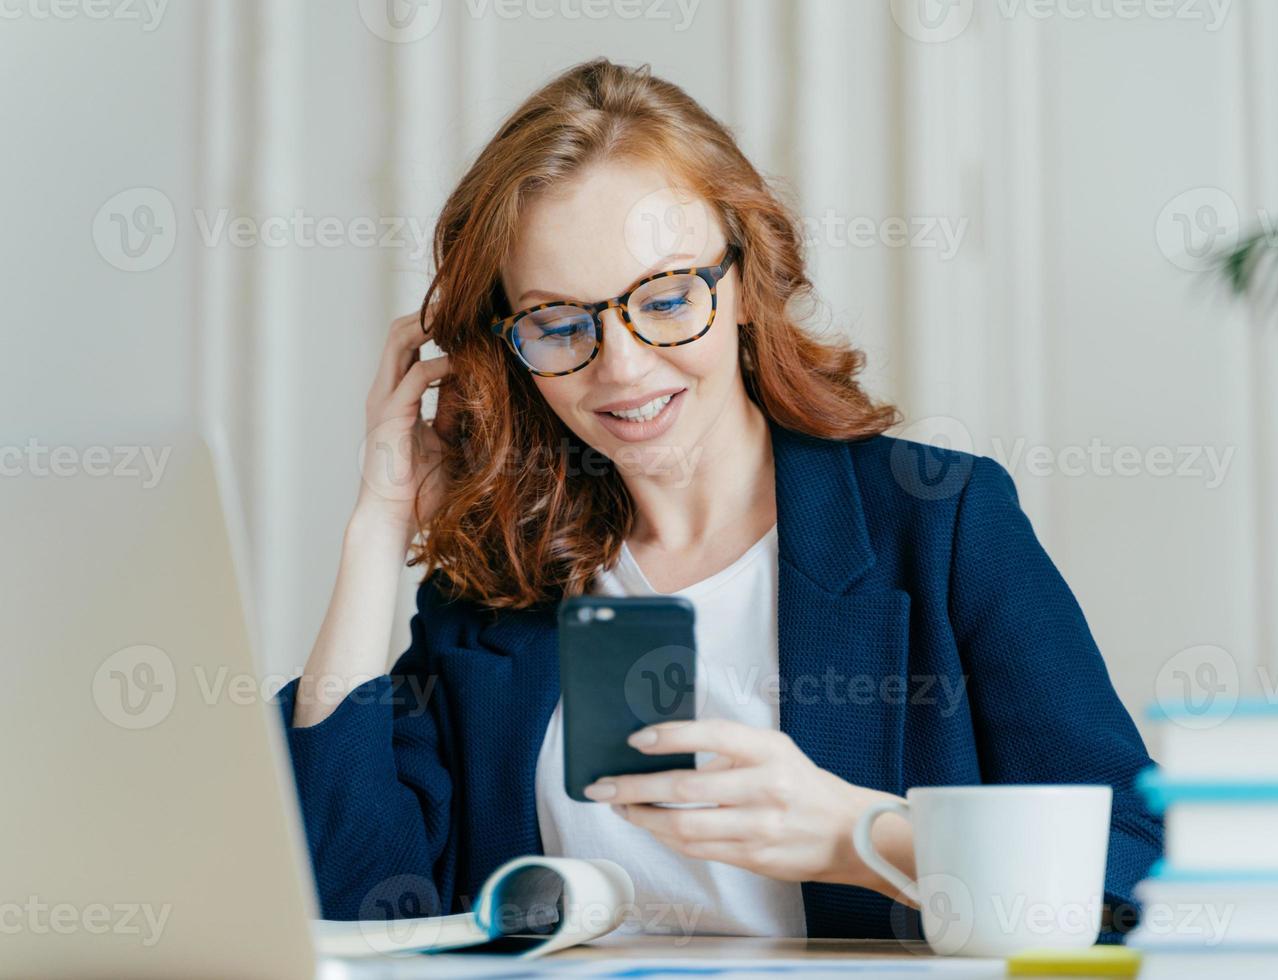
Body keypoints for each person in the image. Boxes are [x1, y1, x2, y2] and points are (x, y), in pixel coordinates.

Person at [275, 57, 1162, 942]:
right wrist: (376, 523)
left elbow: (1135, 864)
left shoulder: (940, 526)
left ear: (746, 281)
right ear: (507, 345)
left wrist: (859, 837)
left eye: (664, 299)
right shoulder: (500, 587)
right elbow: (357, 910)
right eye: (556, 322)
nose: (621, 366)